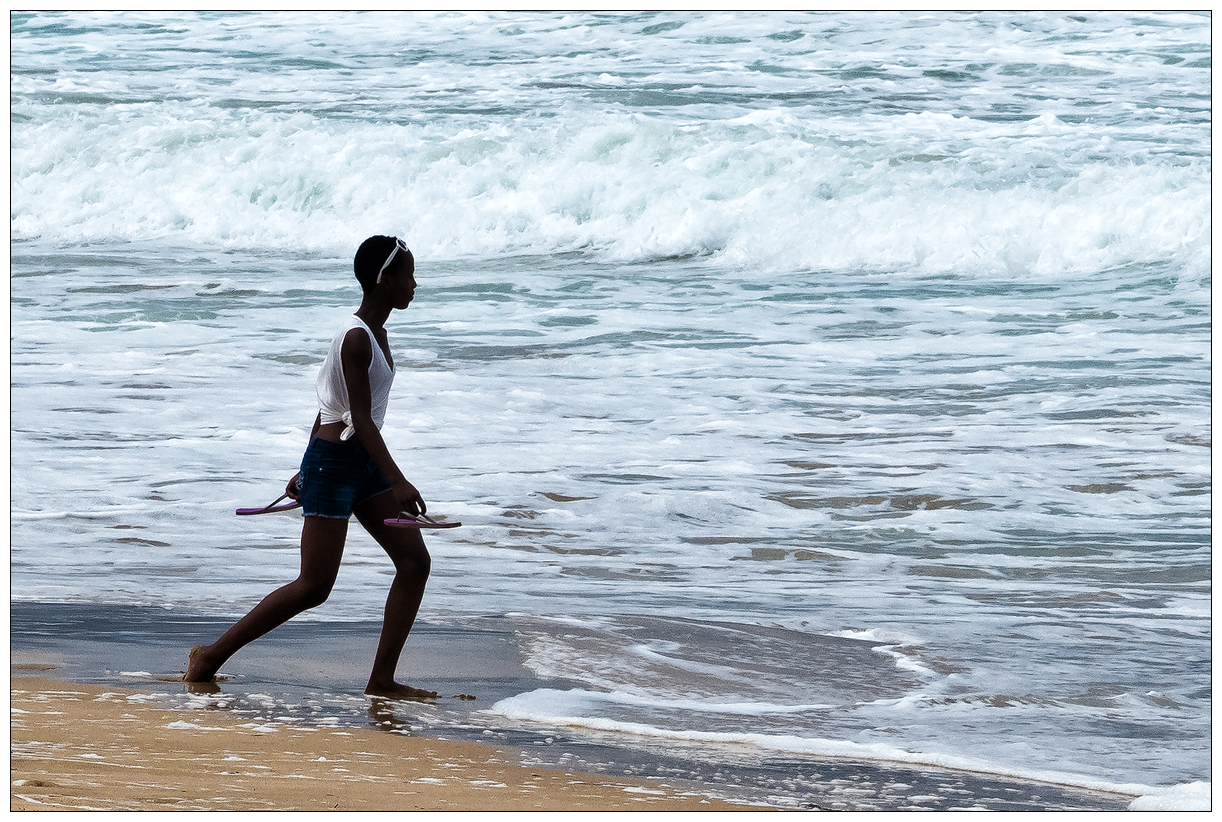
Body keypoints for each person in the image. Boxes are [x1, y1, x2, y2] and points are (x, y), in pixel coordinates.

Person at [185, 236, 436, 700]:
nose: (415, 285)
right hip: (338, 464)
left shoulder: (376, 333)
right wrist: (395, 479)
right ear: (384, 280)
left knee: (415, 561)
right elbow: (357, 418)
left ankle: (381, 681)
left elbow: (328, 404)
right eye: (409, 275)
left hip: (357, 461)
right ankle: (209, 657)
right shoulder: (357, 338)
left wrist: (305, 465)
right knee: (314, 586)